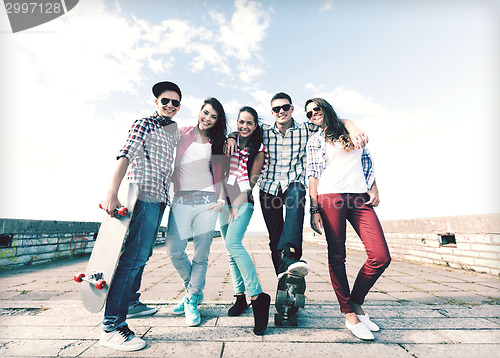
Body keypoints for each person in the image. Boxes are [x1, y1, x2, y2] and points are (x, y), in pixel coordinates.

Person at [227, 92, 368, 278]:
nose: (281, 111)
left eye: (285, 107)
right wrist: (231, 136)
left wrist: (352, 126)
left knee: (297, 194)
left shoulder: (306, 129)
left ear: (292, 109)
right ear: (272, 112)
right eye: (277, 109)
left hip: (293, 183)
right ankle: (283, 279)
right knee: (274, 238)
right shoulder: (264, 131)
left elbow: (331, 122)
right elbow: (245, 129)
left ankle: (291, 255)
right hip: (269, 188)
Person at [99, 81, 181, 351]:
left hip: (160, 199)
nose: (170, 105)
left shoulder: (172, 132)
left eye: (175, 103)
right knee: (132, 257)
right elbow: (125, 154)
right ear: (156, 102)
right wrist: (112, 193)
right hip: (143, 195)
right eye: (165, 101)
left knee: (143, 255)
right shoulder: (144, 123)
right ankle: (112, 326)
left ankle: (131, 303)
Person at [306, 98, 391, 341]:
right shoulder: (315, 140)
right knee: (337, 256)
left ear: (327, 109)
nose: (313, 115)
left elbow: (367, 163)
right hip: (330, 197)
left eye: (317, 110)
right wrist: (313, 210)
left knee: (380, 256)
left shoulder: (351, 131)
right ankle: (349, 313)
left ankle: (355, 302)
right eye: (309, 114)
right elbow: (313, 175)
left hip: (359, 198)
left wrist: (374, 188)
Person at [166, 97, 228, 327]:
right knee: (174, 251)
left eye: (213, 116)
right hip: (181, 199)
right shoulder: (183, 133)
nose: (208, 119)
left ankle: (191, 300)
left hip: (207, 202)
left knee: (201, 255)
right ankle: (194, 288)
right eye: (206, 113)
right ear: (199, 112)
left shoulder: (219, 142)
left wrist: (221, 199)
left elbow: (220, 175)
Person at [219, 106, 271, 335]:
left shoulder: (258, 149)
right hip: (222, 201)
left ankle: (257, 296)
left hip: (242, 201)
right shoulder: (229, 141)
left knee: (233, 244)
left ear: (255, 125)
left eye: (250, 123)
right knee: (230, 252)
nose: (245, 126)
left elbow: (252, 181)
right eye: (241, 122)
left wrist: (236, 204)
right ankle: (240, 298)